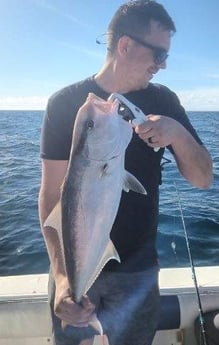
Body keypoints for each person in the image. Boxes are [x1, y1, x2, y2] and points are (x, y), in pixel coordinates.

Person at [38, 1, 213, 345]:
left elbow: (203, 179)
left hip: (138, 272)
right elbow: (51, 194)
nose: (161, 66)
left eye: (166, 58)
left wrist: (176, 133)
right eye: (158, 54)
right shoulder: (64, 104)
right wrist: (61, 278)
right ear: (125, 45)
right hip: (74, 268)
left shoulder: (165, 102)